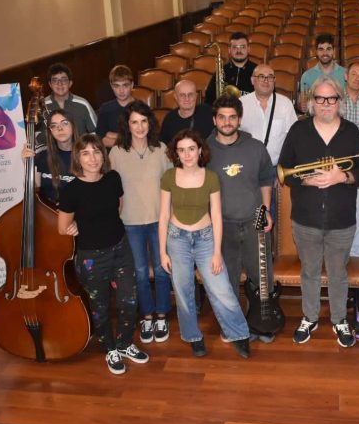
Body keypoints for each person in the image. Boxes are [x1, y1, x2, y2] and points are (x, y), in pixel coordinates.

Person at [277, 75, 359, 347]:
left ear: (339, 101)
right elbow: (284, 170)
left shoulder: (351, 132)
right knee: (309, 270)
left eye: (331, 99)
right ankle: (309, 316)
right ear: (312, 102)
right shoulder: (298, 131)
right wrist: (305, 179)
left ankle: (340, 319)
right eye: (320, 98)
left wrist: (342, 178)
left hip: (341, 218)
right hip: (305, 217)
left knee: (338, 272)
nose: (326, 104)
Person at [57, 134, 149, 375]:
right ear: (78, 157)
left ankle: (125, 343)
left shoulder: (113, 179)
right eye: (86, 153)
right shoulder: (71, 191)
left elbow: (117, 207)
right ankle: (110, 348)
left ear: (103, 155)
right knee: (100, 307)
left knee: (128, 300)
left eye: (97, 151)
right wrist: (74, 225)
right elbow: (61, 227)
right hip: (91, 257)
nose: (92, 158)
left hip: (120, 248)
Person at [159, 129, 251, 358]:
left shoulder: (211, 177)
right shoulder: (169, 177)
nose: (187, 154)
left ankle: (238, 334)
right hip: (177, 238)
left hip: (205, 238)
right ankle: (193, 337)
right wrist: (162, 252)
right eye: (181, 150)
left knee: (222, 289)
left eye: (191, 148)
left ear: (200, 150)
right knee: (183, 291)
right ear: (175, 153)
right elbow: (163, 216)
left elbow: (217, 215)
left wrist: (216, 252)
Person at [207, 95, 277, 342]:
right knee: (227, 279)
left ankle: (261, 323)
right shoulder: (204, 150)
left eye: (232, 117)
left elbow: (266, 179)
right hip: (221, 226)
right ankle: (234, 327)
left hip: (253, 221)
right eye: (222, 117)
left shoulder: (255, 147)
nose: (227, 122)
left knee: (261, 275)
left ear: (239, 119)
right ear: (215, 119)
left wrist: (266, 210)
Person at [109, 101, 173, 346]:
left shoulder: (161, 149)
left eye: (143, 121)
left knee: (160, 269)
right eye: (134, 121)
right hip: (130, 222)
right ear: (127, 125)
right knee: (139, 273)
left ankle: (161, 315)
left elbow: (170, 184)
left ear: (150, 123)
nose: (139, 126)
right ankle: (146, 316)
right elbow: (111, 188)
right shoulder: (116, 153)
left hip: (159, 220)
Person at [239, 64, 298, 166]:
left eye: (270, 77)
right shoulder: (241, 104)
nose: (266, 80)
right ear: (252, 80)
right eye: (261, 76)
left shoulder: (285, 104)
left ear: (274, 81)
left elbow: (295, 138)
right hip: (248, 167)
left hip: (276, 169)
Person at [22, 109, 78, 207]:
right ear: (50, 131)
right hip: (48, 214)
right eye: (54, 125)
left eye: (64, 123)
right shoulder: (42, 156)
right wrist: (26, 165)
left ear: (72, 125)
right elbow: (34, 191)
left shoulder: (85, 155)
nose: (59, 128)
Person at [40, 63, 97, 151]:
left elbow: (95, 132)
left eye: (64, 80)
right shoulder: (41, 106)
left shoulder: (83, 104)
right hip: (53, 157)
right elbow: (37, 137)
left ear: (70, 83)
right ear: (50, 84)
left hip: (81, 154)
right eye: (55, 80)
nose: (60, 84)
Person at [204, 32, 257, 104]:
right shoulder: (220, 72)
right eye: (235, 47)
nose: (239, 51)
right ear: (229, 50)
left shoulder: (258, 71)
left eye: (242, 47)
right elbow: (209, 100)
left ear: (248, 49)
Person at [159, 79, 215, 147]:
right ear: (176, 97)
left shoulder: (208, 112)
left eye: (190, 94)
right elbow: (164, 147)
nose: (187, 99)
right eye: (182, 95)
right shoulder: (169, 119)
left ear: (196, 95)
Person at [299, 33, 347, 109]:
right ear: (316, 52)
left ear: (333, 51)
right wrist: (303, 106)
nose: (325, 53)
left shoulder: (345, 74)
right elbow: (304, 105)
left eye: (328, 49)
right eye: (321, 49)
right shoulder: (306, 76)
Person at [97, 65, 136, 148]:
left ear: (132, 85)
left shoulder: (141, 108)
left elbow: (144, 138)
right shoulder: (105, 108)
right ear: (111, 86)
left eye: (125, 85)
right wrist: (128, 139)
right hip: (112, 157)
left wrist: (111, 135)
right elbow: (102, 140)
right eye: (117, 86)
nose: (121, 90)